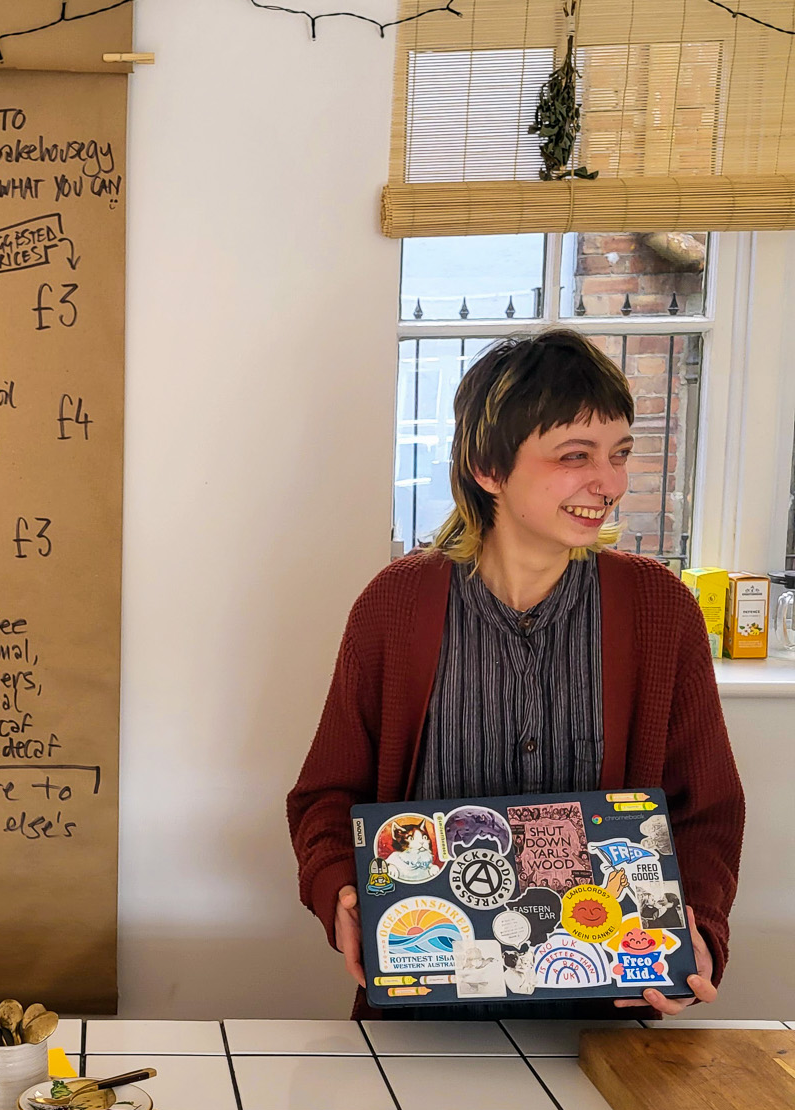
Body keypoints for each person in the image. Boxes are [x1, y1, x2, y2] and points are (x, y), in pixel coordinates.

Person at [288, 328, 743, 1018]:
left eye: (620, 455)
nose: (611, 484)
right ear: (488, 467)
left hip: (605, 1022)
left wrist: (700, 932)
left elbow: (705, 812)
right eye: (576, 456)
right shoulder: (396, 606)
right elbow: (326, 796)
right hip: (425, 1016)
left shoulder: (658, 609)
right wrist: (340, 893)